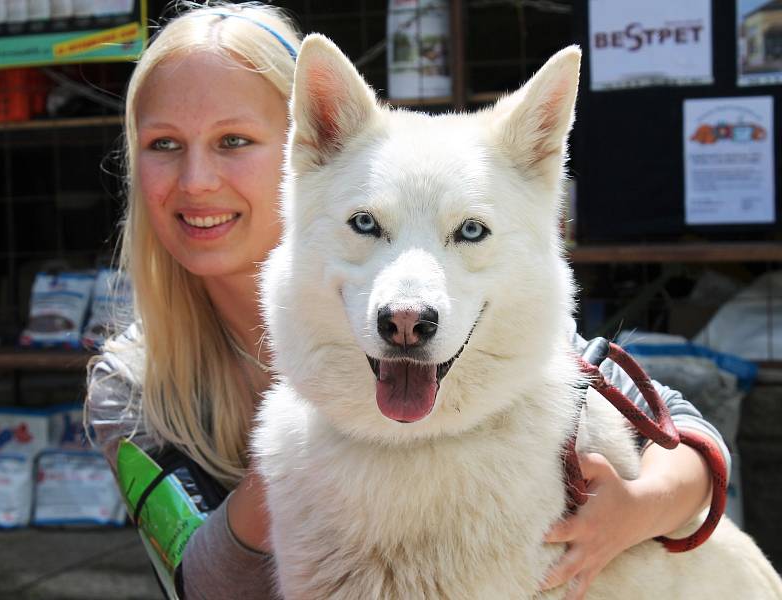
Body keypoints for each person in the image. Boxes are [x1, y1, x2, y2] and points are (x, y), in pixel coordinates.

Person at [86, 3, 731, 599]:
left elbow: (683, 430)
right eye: (164, 144)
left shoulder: (506, 350)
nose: (198, 181)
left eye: (233, 141)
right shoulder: (131, 384)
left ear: (295, 142)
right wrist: (314, 438)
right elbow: (194, 582)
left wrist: (640, 508)